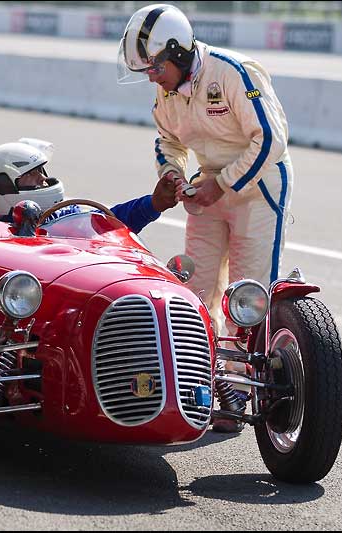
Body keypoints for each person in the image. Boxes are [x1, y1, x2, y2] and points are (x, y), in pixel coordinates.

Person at [118, 4, 294, 432]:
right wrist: (173, 175)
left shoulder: (234, 72)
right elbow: (167, 141)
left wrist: (227, 182)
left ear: (177, 53)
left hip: (258, 186)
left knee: (247, 294)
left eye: (155, 67)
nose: (151, 77)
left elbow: (271, 138)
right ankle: (204, 387)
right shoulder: (165, 87)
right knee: (195, 291)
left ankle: (241, 391)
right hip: (208, 187)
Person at [0, 140, 177, 233]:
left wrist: (153, 204)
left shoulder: (65, 213)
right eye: (30, 174)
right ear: (3, 187)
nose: (41, 179)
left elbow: (108, 221)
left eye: (40, 171)